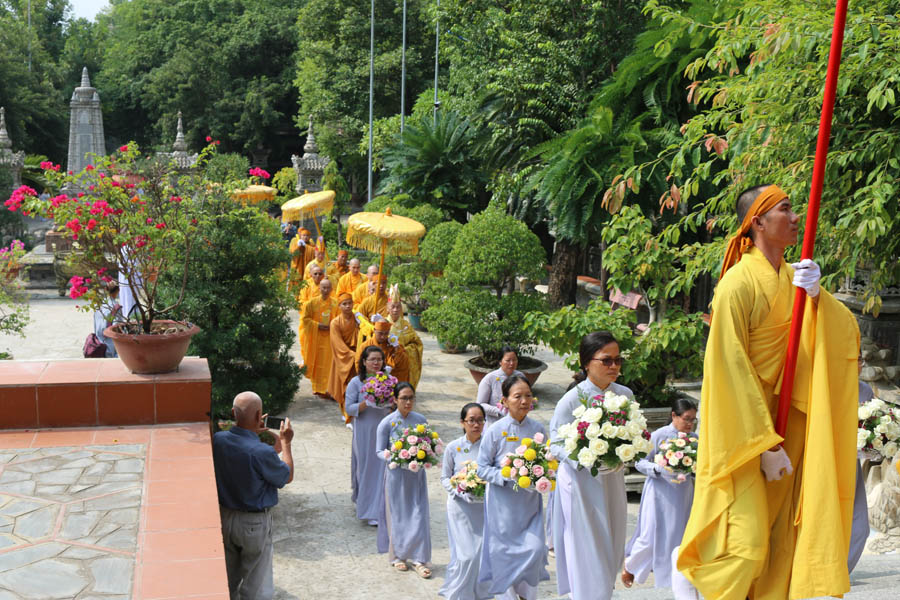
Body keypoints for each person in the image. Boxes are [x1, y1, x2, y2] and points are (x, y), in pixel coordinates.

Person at [677, 184, 860, 599]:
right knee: (746, 546)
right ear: (757, 222)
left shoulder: (795, 278)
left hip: (787, 425)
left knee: (780, 545)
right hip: (746, 436)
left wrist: (817, 297)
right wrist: (763, 445)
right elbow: (729, 370)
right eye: (786, 209)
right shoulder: (737, 284)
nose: (796, 218)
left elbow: (844, 337)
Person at [549, 332, 630, 600]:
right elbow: (556, 442)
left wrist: (623, 456)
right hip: (580, 483)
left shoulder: (625, 396)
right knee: (586, 545)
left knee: (613, 537)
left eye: (618, 360)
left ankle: (604, 591)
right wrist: (583, 461)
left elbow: (635, 435)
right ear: (586, 363)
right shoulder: (572, 399)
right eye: (606, 360)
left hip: (612, 478)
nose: (614, 366)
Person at [212, 391, 294, 600]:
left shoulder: (218, 440)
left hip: (225, 516)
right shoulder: (261, 452)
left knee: (227, 578)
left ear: (233, 413)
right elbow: (287, 476)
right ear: (259, 416)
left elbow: (237, 444)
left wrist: (251, 430)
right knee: (256, 584)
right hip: (253, 524)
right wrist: (286, 443)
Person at [477, 374, 549, 600]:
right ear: (504, 401)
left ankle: (527, 595)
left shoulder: (538, 429)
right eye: (518, 396)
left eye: (528, 395)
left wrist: (542, 476)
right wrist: (507, 475)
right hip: (502, 505)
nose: (524, 401)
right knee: (503, 554)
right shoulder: (495, 430)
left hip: (529, 505)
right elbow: (481, 468)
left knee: (535, 549)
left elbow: (548, 464)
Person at [622, 398, 698, 590]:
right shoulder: (659, 435)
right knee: (650, 535)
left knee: (677, 536)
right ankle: (630, 565)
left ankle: (671, 580)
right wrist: (657, 469)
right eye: (686, 418)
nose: (690, 424)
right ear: (674, 415)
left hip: (683, 493)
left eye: (693, 420)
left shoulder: (695, 439)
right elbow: (640, 461)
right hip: (659, 491)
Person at [375, 383, 433, 578]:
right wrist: (395, 456)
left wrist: (425, 455)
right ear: (395, 400)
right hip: (396, 476)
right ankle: (398, 556)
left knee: (419, 514)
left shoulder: (421, 420)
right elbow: (378, 451)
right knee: (398, 516)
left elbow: (428, 444)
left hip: (416, 476)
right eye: (404, 398)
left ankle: (420, 558)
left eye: (411, 398)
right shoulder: (387, 423)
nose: (408, 402)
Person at [440, 403, 493, 600]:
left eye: (480, 420)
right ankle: (459, 592)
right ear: (462, 422)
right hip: (459, 507)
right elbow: (445, 477)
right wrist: (459, 491)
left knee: (480, 553)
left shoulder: (489, 446)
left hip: (483, 507)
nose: (476, 425)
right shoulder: (453, 447)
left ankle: (479, 592)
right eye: (471, 420)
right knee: (466, 555)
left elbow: (494, 473)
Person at [345, 346, 392, 525]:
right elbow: (349, 408)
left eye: (379, 359)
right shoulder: (356, 382)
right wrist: (367, 402)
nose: (376, 363)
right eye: (372, 359)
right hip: (365, 429)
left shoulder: (388, 381)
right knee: (366, 467)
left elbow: (396, 402)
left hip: (384, 427)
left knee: (382, 468)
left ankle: (380, 509)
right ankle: (367, 509)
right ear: (364, 362)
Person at [848, 358, 874, 572]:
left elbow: (874, 426)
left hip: (852, 461)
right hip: (824, 460)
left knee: (860, 526)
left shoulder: (865, 390)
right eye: (854, 359)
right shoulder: (823, 387)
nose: (859, 365)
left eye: (861, 360)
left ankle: (840, 571)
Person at [299, 278, 337, 397]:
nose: (326, 290)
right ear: (319, 288)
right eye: (323, 288)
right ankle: (316, 387)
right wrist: (317, 325)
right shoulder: (311, 303)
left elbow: (339, 320)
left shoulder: (336, 304)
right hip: (315, 338)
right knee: (316, 362)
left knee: (328, 363)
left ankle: (327, 388)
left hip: (330, 338)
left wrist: (332, 325)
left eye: (328, 288)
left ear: (331, 289)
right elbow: (305, 319)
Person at [327, 292, 359, 420]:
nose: (347, 306)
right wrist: (353, 355)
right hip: (343, 359)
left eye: (349, 303)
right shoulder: (335, 323)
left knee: (357, 387)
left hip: (357, 358)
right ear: (339, 306)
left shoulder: (358, 319)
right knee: (344, 387)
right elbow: (337, 344)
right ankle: (346, 415)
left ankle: (354, 414)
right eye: (344, 304)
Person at [478, 346, 526, 428]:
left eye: (514, 360)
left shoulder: (520, 377)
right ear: (500, 361)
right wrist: (499, 411)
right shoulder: (490, 378)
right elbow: (480, 404)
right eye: (508, 360)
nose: (512, 363)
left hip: (517, 423)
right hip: (494, 424)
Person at [387, 285, 424, 388]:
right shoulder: (383, 323)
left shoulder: (406, 325)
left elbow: (417, 344)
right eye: (392, 307)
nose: (395, 310)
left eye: (398, 307)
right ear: (387, 308)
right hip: (388, 364)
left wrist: (405, 350)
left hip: (403, 363)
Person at [93, 281, 122, 358]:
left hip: (98, 343)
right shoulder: (116, 307)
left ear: (106, 289)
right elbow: (116, 328)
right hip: (110, 346)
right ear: (118, 291)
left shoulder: (99, 305)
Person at [289, 227, 316, 294]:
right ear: (300, 235)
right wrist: (298, 246)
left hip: (307, 267)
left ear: (309, 237)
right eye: (303, 235)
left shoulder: (311, 243)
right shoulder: (295, 241)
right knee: (297, 281)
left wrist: (306, 247)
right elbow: (292, 253)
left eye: (307, 235)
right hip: (298, 266)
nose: (305, 237)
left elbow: (315, 251)